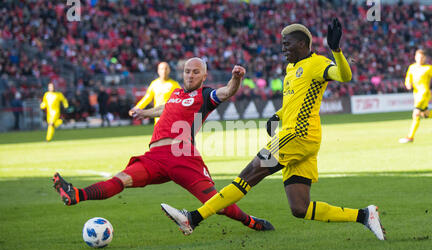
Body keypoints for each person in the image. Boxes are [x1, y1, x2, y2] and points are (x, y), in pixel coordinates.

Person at [161, 18, 386, 240]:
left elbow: (345, 76)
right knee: (300, 208)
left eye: (287, 44)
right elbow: (295, 100)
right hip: (297, 138)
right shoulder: (291, 68)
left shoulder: (318, 63)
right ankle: (365, 215)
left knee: (248, 176)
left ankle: (193, 217)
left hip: (297, 135)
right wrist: (277, 115)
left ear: (301, 44)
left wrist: (336, 50)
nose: (283, 49)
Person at [52, 58, 274, 232]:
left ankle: (252, 222)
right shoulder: (176, 93)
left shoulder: (206, 95)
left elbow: (227, 91)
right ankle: (76, 194)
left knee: (218, 204)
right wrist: (144, 112)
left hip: (182, 156)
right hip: (155, 156)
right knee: (121, 179)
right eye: (188, 71)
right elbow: (165, 108)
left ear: (204, 75)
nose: (191, 75)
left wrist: (236, 78)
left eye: (196, 71)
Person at [399, 49, 432, 144]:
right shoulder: (412, 67)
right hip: (416, 95)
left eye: (422, 57)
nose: (420, 59)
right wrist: (408, 83)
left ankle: (410, 137)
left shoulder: (429, 68)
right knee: (425, 114)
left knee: (415, 114)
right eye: (418, 57)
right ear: (415, 57)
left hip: (424, 94)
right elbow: (408, 77)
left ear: (425, 58)